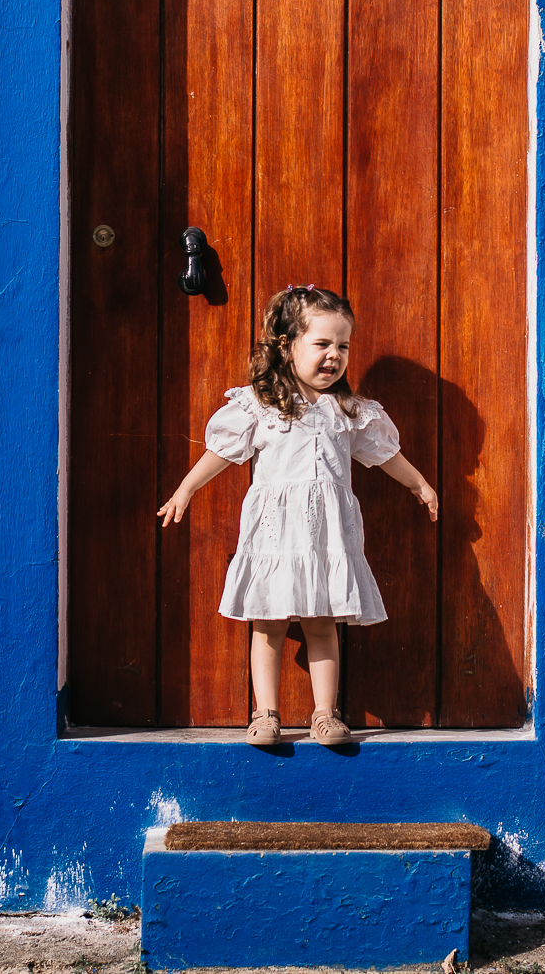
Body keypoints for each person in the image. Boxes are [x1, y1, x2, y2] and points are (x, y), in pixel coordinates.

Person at [157, 284, 438, 746]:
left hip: (326, 538)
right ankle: (266, 712)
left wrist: (419, 483)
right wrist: (186, 488)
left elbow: (385, 454)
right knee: (267, 623)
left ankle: (325, 713)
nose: (335, 355)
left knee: (322, 622)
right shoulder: (261, 404)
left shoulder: (348, 410)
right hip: (276, 535)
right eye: (322, 344)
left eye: (343, 346)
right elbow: (222, 453)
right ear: (287, 347)